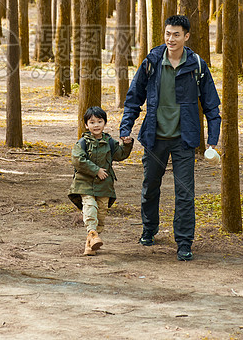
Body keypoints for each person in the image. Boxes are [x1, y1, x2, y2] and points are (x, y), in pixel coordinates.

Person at [120, 14, 221, 261]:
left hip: (184, 139)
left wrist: (213, 139)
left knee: (185, 192)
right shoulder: (152, 61)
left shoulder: (197, 65)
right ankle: (149, 229)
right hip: (154, 137)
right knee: (150, 187)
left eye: (176, 34)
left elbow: (212, 105)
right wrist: (126, 128)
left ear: (186, 36)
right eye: (167, 33)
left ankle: (184, 242)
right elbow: (134, 98)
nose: (171, 38)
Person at [68, 106, 133, 256]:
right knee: (90, 207)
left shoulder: (109, 142)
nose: (96, 125)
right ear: (86, 125)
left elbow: (120, 154)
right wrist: (96, 170)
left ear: (104, 123)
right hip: (84, 183)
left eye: (99, 121)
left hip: (104, 185)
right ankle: (93, 234)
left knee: (101, 214)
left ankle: (90, 243)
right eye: (92, 122)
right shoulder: (82, 143)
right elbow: (78, 160)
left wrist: (127, 144)